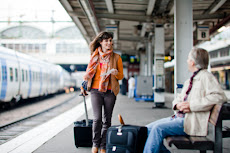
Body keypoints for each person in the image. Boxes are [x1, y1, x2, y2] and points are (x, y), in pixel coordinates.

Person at [143, 48, 227, 153]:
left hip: (189, 122)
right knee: (146, 129)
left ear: (192, 62)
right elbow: (178, 98)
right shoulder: (190, 80)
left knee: (157, 129)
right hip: (179, 118)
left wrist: (191, 105)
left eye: (188, 59)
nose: (187, 61)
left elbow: (219, 97)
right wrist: (177, 105)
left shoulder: (206, 77)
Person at [80, 31, 124, 153]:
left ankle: (103, 145)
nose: (109, 43)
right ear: (101, 42)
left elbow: (121, 76)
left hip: (110, 92)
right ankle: (95, 144)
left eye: (110, 40)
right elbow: (88, 74)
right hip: (95, 90)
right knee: (97, 119)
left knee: (107, 120)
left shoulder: (116, 58)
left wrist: (116, 74)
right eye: (106, 41)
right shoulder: (94, 56)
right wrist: (83, 86)